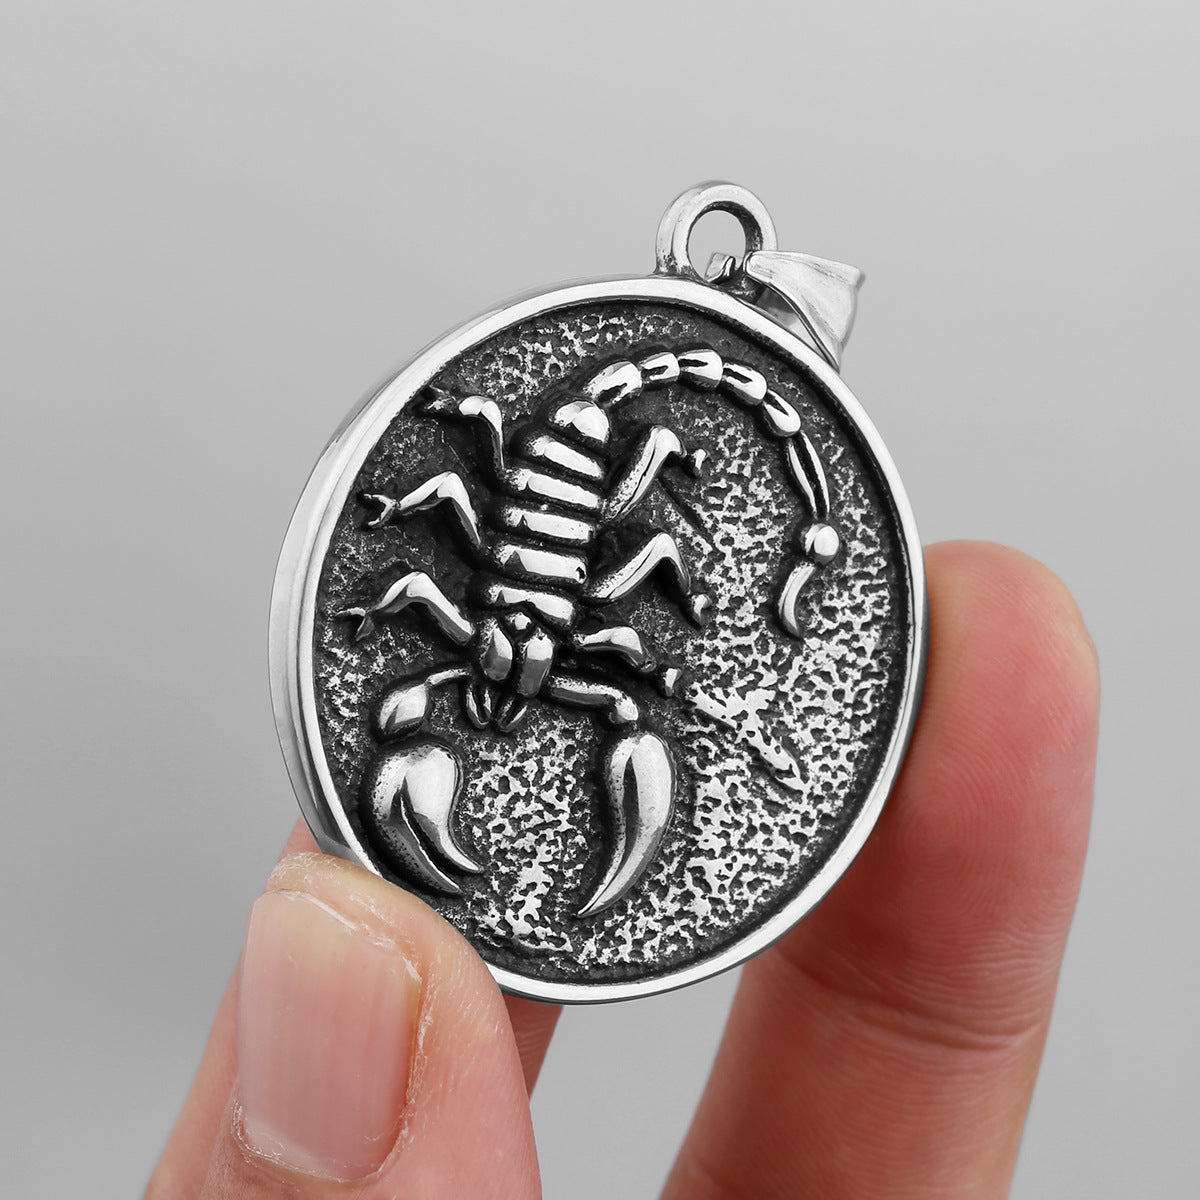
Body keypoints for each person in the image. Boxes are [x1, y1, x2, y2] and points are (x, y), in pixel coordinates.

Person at [145, 542, 1099, 1199]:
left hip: (555, 583)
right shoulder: (474, 632)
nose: (508, 698)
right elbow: (417, 575)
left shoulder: (569, 648)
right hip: (523, 571)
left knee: (629, 711)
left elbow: (631, 613)